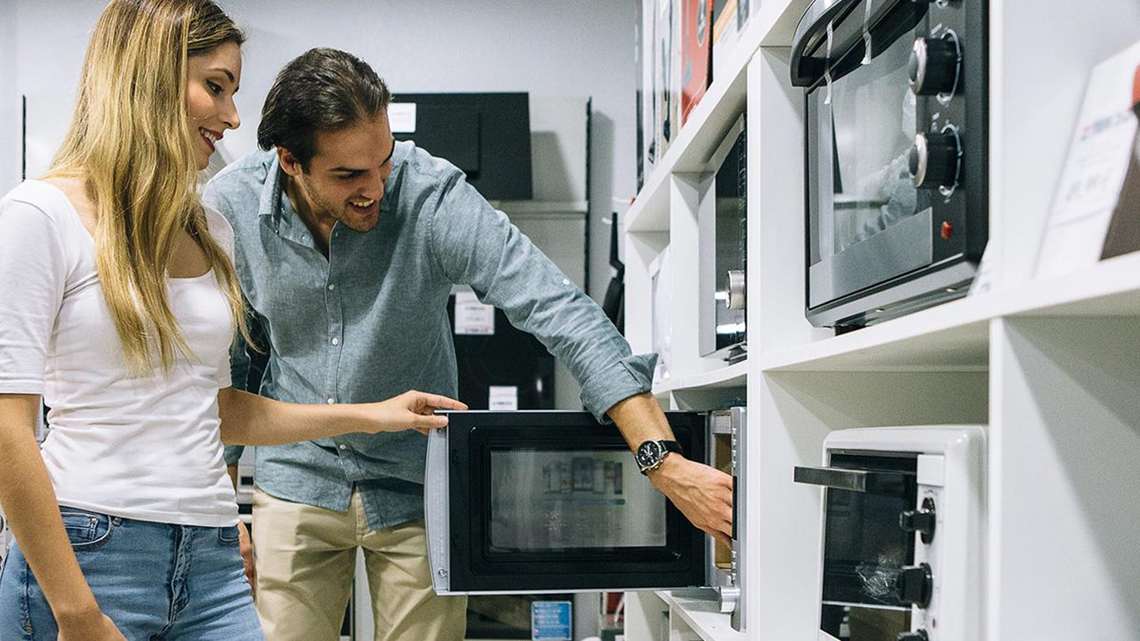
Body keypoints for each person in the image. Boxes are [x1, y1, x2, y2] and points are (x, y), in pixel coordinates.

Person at [203, 47, 735, 641]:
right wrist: (223, 511)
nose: (375, 188)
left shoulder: (430, 196)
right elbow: (236, 362)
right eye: (349, 175)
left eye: (382, 162)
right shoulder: (231, 209)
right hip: (296, 482)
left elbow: (560, 310)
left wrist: (660, 459)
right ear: (290, 162)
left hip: (417, 486)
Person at [0, 3, 464, 641]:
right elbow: (7, 431)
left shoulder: (209, 229)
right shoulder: (38, 216)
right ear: (148, 77)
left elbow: (218, 410)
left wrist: (377, 412)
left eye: (233, 91)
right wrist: (76, 612)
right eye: (214, 87)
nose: (232, 116)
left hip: (212, 563)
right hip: (91, 550)